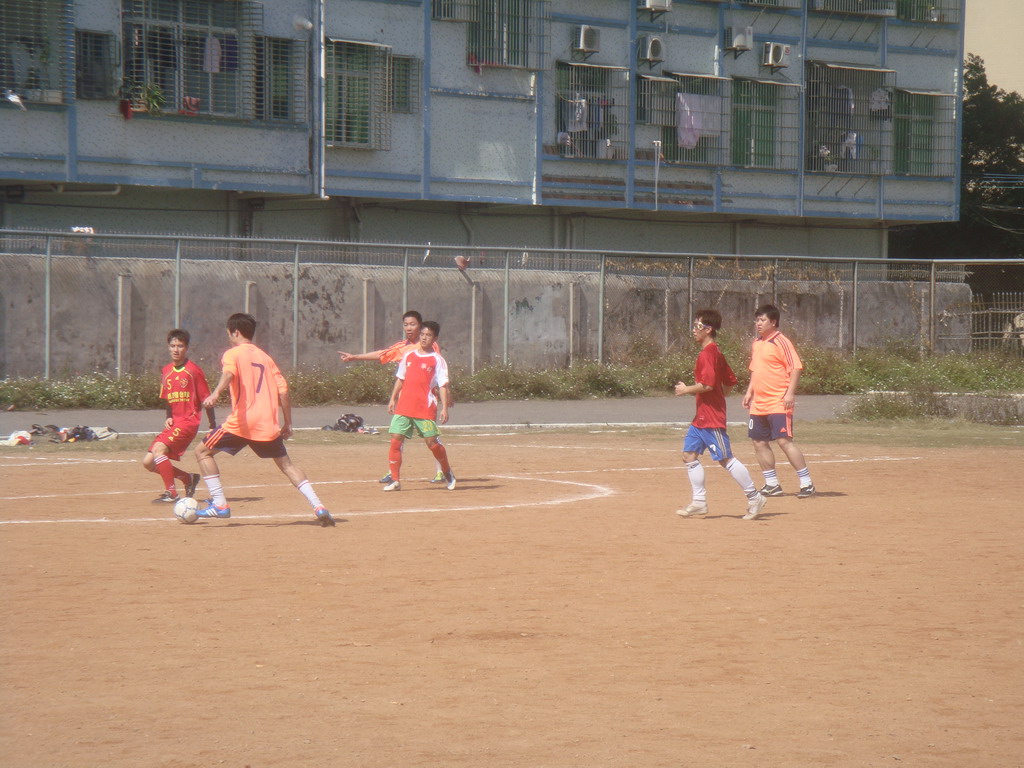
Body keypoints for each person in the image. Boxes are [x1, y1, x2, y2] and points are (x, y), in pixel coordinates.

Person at [193, 313, 334, 526]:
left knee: (202, 452)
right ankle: (319, 506)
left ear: (235, 332)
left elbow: (229, 373)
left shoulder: (232, 354)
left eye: (228, 333)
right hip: (268, 424)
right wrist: (288, 423)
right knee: (287, 466)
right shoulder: (266, 358)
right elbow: (283, 391)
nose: (228, 337)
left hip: (242, 422)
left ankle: (220, 505)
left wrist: (215, 393)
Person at [674, 309, 767, 521]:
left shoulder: (708, 354)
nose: (694, 330)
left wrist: (686, 389)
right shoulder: (716, 352)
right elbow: (729, 381)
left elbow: (707, 385)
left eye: (698, 326)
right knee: (689, 455)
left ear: (708, 329)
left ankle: (755, 497)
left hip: (711, 418)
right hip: (701, 418)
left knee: (725, 459)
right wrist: (720, 395)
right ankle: (699, 502)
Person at [338, 309, 446, 485]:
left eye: (413, 324)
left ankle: (442, 471)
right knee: (398, 436)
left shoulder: (430, 346)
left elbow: (441, 374)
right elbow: (382, 354)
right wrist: (355, 357)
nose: (409, 328)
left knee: (431, 437)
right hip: (406, 400)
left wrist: (447, 397)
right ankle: (393, 473)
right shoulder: (402, 347)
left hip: (425, 401)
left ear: (420, 326)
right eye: (406, 325)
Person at [742, 303, 816, 498]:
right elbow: (755, 370)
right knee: (759, 442)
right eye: (757, 320)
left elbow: (796, 367)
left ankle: (807, 483)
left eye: (762, 320)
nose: (758, 323)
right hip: (759, 403)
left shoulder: (781, 341)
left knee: (784, 441)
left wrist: (790, 393)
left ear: (773, 322)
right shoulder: (757, 343)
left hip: (778, 400)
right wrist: (749, 392)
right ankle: (772, 484)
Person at [142, 329, 215, 504]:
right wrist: (168, 416)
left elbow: (207, 400)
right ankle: (188, 478)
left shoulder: (193, 371)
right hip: (175, 423)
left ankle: (172, 493)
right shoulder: (166, 371)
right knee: (148, 462)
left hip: (189, 421)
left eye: (180, 346)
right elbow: (168, 398)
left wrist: (212, 425)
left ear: (186, 348)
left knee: (159, 450)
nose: (176, 349)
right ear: (168, 347)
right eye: (173, 345)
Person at [382, 321, 456, 492]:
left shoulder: (437, 360)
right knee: (395, 440)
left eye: (428, 335)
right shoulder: (409, 356)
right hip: (404, 406)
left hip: (425, 408)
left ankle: (447, 472)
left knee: (432, 443)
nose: (424, 338)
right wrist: (393, 399)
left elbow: (443, 385)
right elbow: (400, 378)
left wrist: (444, 408)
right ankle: (395, 480)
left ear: (435, 338)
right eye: (422, 334)